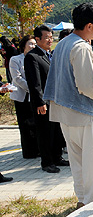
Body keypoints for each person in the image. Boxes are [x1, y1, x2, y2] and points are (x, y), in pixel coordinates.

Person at [43, 2, 93, 208]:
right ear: (90, 26)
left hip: (65, 114)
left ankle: (83, 200)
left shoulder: (63, 44)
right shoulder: (82, 47)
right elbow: (86, 86)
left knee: (78, 163)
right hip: (85, 114)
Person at [24, 24, 68, 173]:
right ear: (37, 39)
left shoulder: (50, 55)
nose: (50, 40)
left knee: (56, 131)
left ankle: (57, 158)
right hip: (43, 102)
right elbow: (34, 83)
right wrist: (40, 102)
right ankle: (47, 162)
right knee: (44, 133)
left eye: (51, 37)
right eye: (47, 37)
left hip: (55, 100)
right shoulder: (32, 56)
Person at [9, 35, 39, 159]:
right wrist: (32, 88)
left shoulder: (36, 58)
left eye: (34, 44)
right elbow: (17, 78)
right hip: (21, 96)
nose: (33, 46)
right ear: (23, 46)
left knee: (35, 124)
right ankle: (28, 152)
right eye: (30, 44)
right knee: (24, 124)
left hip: (34, 96)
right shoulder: (15, 59)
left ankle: (38, 149)